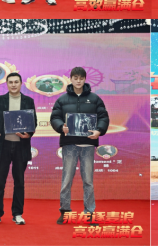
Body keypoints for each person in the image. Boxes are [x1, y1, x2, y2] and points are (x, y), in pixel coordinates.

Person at [50, 67, 109, 225]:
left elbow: (103, 117)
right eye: (75, 78)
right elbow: (55, 117)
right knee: (66, 180)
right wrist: (61, 126)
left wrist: (99, 130)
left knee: (88, 181)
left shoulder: (95, 99)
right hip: (69, 144)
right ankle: (65, 211)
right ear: (71, 79)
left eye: (81, 78)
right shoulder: (62, 100)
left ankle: (89, 213)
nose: (78, 81)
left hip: (87, 144)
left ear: (85, 79)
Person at [0, 72, 38, 225]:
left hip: (21, 147)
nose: (13, 84)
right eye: (11, 82)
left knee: (19, 182)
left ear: (21, 83)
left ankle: (17, 214)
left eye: (16, 82)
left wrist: (28, 133)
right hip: (2, 146)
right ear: (7, 84)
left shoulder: (28, 101)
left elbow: (33, 122)